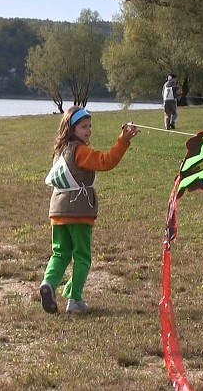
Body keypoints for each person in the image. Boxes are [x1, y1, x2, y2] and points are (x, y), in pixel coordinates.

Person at [39, 106, 140, 314]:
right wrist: (123, 140)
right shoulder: (81, 151)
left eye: (90, 125)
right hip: (79, 212)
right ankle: (75, 300)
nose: (88, 130)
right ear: (71, 128)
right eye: (83, 126)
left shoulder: (61, 150)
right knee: (82, 256)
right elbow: (106, 161)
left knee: (60, 253)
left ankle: (48, 283)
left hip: (57, 212)